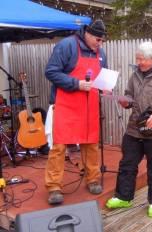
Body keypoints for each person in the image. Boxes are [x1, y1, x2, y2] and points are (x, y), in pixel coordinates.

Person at [106, 42, 152, 218]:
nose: (138, 62)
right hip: (134, 128)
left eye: (141, 59)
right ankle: (124, 197)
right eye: (137, 58)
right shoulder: (135, 75)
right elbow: (129, 94)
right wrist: (125, 101)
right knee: (127, 164)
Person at [44, 19, 108, 205]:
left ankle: (93, 178)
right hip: (66, 104)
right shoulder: (66, 46)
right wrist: (76, 84)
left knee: (91, 143)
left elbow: (102, 75)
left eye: (102, 41)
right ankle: (54, 186)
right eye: (98, 39)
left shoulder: (100, 52)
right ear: (87, 34)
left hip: (90, 105)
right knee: (59, 147)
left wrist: (105, 87)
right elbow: (51, 72)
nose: (100, 43)